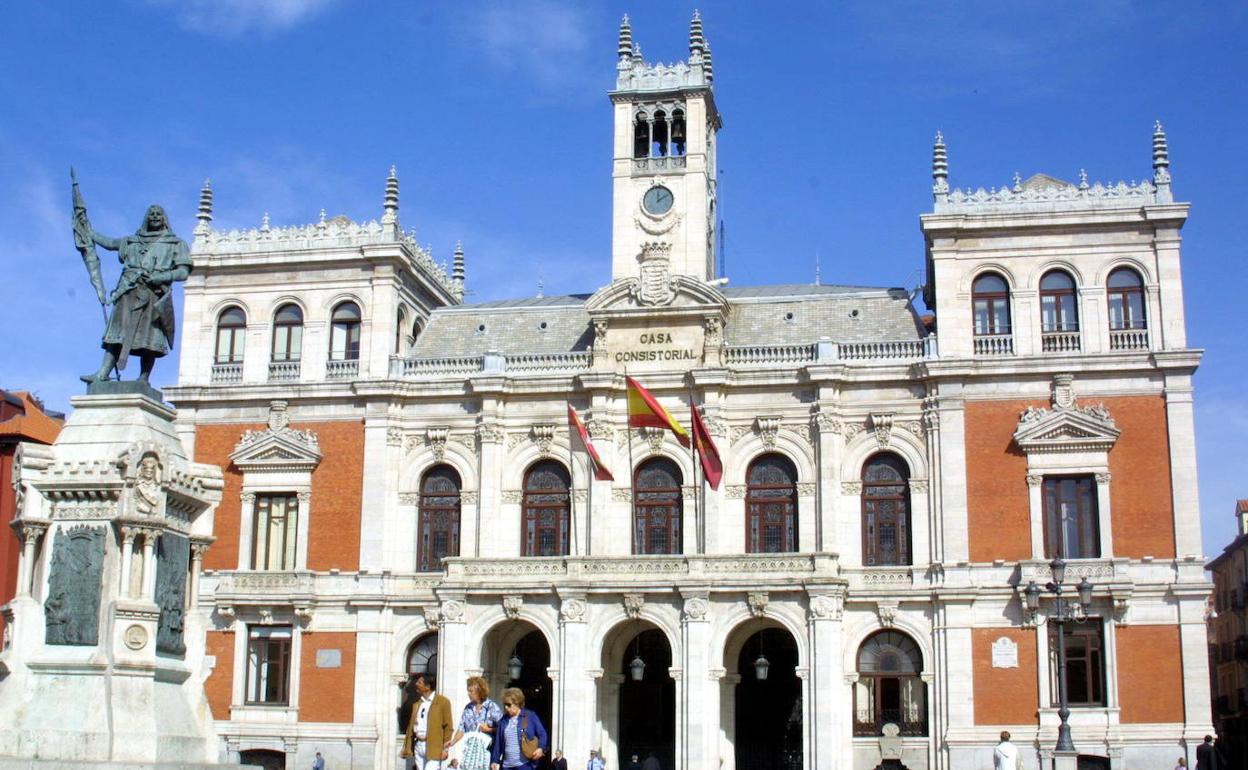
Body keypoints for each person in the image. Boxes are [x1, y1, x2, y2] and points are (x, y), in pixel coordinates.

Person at [81, 204, 191, 384]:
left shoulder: (175, 244)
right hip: (128, 291)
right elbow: (110, 244)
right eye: (151, 214)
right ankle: (102, 373)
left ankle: (143, 378)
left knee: (149, 337)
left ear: (164, 219)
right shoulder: (133, 241)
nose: (155, 217)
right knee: (116, 333)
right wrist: (89, 233)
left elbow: (183, 272)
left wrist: (162, 276)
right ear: (147, 217)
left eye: (158, 214)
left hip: (153, 294)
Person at [401, 672, 455, 770]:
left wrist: (445, 749)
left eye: (420, 682)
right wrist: (407, 747)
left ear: (427, 686)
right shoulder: (417, 703)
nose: (416, 684)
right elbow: (411, 726)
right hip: (418, 745)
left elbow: (448, 727)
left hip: (434, 746)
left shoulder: (443, 702)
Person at [449, 676, 502, 770]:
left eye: (471, 691)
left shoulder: (492, 707)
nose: (469, 694)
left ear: (480, 691)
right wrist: (452, 742)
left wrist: (489, 729)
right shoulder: (468, 708)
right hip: (470, 752)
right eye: (468, 691)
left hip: (486, 752)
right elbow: (461, 729)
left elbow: (503, 729)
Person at [490, 687, 547, 770]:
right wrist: (495, 761)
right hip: (507, 766)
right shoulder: (503, 720)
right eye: (504, 704)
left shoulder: (529, 716)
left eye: (508, 704)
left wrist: (541, 748)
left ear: (517, 703)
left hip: (525, 765)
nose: (506, 707)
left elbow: (542, 734)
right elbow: (498, 743)